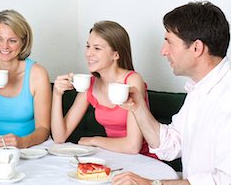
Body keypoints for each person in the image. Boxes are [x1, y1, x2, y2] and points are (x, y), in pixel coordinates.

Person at [111, 2, 231, 185]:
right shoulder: (200, 90)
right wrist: (138, 108)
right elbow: (170, 145)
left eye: (169, 42)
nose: (163, 51)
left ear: (196, 48)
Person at [51, 21, 156, 158]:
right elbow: (60, 137)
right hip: (114, 156)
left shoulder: (132, 80)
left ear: (116, 55)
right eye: (88, 46)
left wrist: (94, 140)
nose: (88, 53)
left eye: (97, 48)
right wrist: (57, 94)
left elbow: (133, 146)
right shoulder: (90, 84)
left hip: (143, 159)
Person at [0, 9, 51, 149]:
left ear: (23, 42)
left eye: (12, 40)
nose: (4, 46)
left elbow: (43, 129)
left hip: (31, 149)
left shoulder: (37, 74)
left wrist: (23, 142)